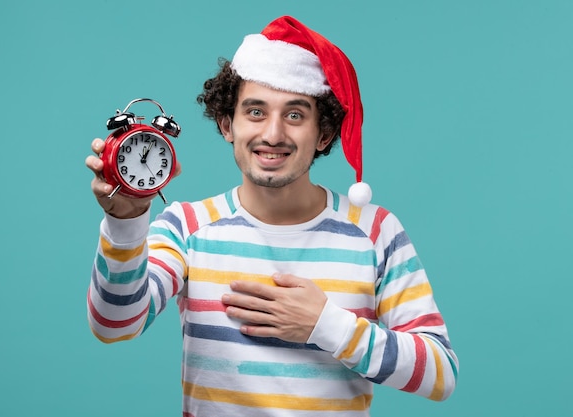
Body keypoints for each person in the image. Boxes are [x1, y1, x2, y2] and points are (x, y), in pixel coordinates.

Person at [85, 15, 458, 417]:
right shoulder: (187, 227)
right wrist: (126, 224)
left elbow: (440, 375)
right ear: (228, 125)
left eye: (295, 115)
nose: (273, 134)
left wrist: (327, 326)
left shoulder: (376, 231)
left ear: (325, 133)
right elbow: (114, 325)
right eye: (256, 112)